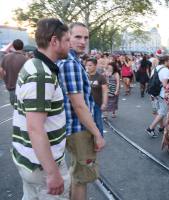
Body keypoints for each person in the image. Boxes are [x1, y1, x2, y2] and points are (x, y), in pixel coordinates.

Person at [12, 18, 70, 199]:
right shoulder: (41, 74)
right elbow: (35, 128)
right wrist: (52, 173)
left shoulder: (35, 65)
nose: (71, 45)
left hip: (32, 161)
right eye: (67, 40)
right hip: (42, 166)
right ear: (54, 41)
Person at [57, 22, 105, 200]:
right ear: (67, 38)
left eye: (85, 37)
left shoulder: (72, 61)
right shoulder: (71, 64)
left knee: (77, 171)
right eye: (77, 36)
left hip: (74, 127)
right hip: (79, 129)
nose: (83, 41)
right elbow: (79, 105)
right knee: (82, 177)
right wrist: (97, 134)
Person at [146, 55, 169, 137]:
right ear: (166, 61)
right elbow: (165, 85)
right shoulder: (166, 70)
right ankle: (150, 128)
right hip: (162, 94)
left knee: (160, 110)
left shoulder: (155, 68)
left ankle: (161, 127)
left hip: (154, 93)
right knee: (162, 112)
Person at [0, 39, 27, 105]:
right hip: (23, 89)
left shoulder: (6, 57)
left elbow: (1, 70)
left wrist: (4, 79)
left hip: (11, 87)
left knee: (15, 109)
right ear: (22, 47)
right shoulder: (25, 59)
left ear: (14, 47)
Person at [86, 57, 108, 136]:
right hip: (86, 105)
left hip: (97, 104)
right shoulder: (85, 76)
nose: (88, 67)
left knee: (98, 123)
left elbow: (105, 91)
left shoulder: (100, 77)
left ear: (95, 66)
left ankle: (100, 138)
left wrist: (104, 103)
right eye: (87, 65)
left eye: (90, 65)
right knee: (88, 123)